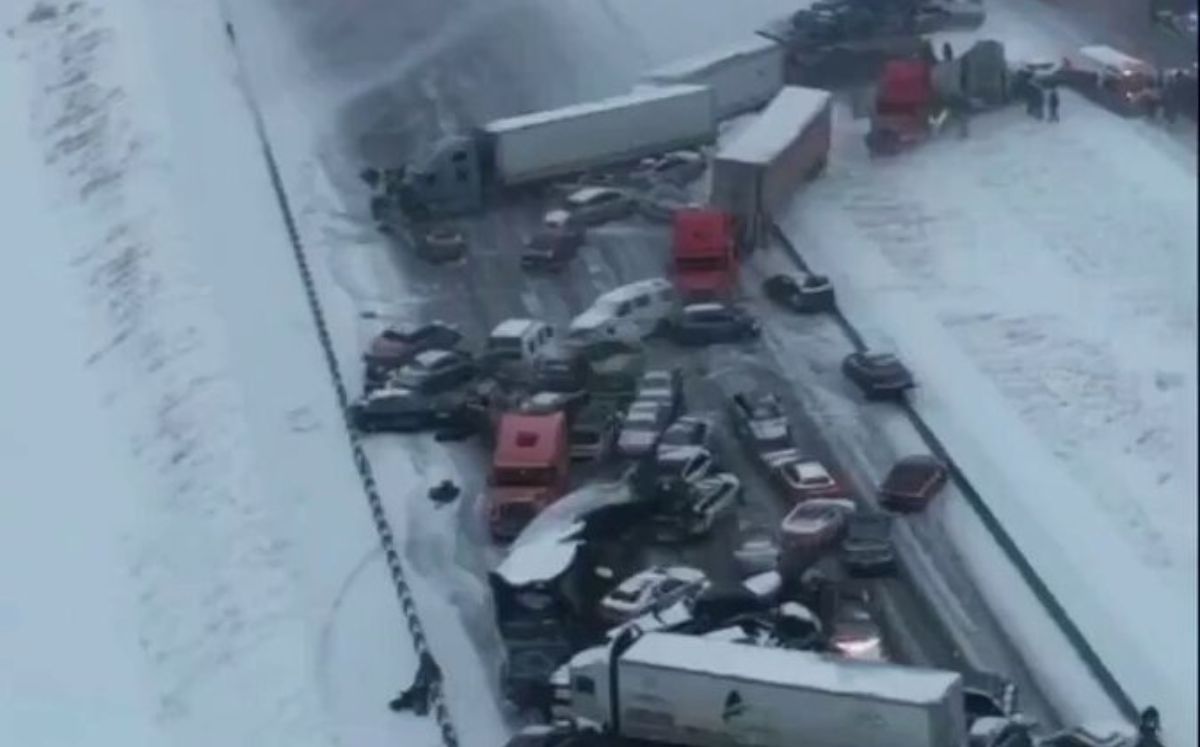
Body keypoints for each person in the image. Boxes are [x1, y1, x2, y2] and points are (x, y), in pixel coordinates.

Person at [389, 651, 442, 716]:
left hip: (423, 692)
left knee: (420, 681)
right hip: (421, 694)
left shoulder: (413, 695)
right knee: (420, 682)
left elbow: (415, 690)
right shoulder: (414, 698)